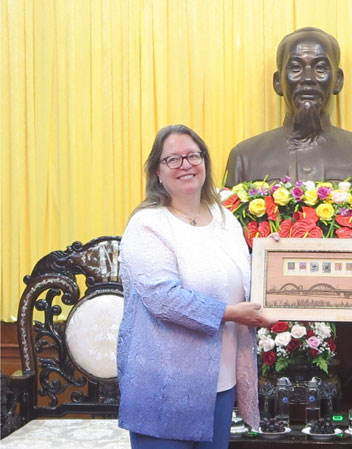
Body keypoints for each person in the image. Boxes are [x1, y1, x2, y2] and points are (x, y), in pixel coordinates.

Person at [117, 124, 276, 449]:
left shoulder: (224, 219)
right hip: (165, 386)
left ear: (205, 162)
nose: (186, 165)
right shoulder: (147, 224)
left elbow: (239, 280)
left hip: (221, 381)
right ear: (157, 172)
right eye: (173, 159)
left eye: (193, 155)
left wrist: (271, 259)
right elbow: (163, 298)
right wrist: (230, 313)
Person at [224, 27, 352, 186]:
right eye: (295, 68)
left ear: (338, 81)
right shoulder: (245, 157)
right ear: (278, 82)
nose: (308, 78)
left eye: (320, 68)